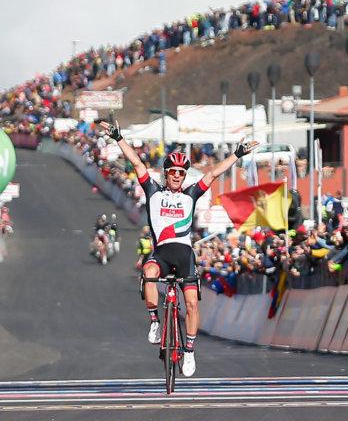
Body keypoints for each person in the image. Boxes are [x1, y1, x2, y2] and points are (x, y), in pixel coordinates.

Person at [98, 120, 258, 378]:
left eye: (181, 173)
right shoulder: (153, 191)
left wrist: (237, 154)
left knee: (192, 305)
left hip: (185, 256)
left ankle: (190, 351)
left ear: (185, 176)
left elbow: (213, 174)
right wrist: (118, 138)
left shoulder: (191, 195)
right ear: (165, 173)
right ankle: (154, 323)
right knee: (149, 273)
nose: (176, 176)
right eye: (172, 171)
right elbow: (138, 164)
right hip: (161, 254)